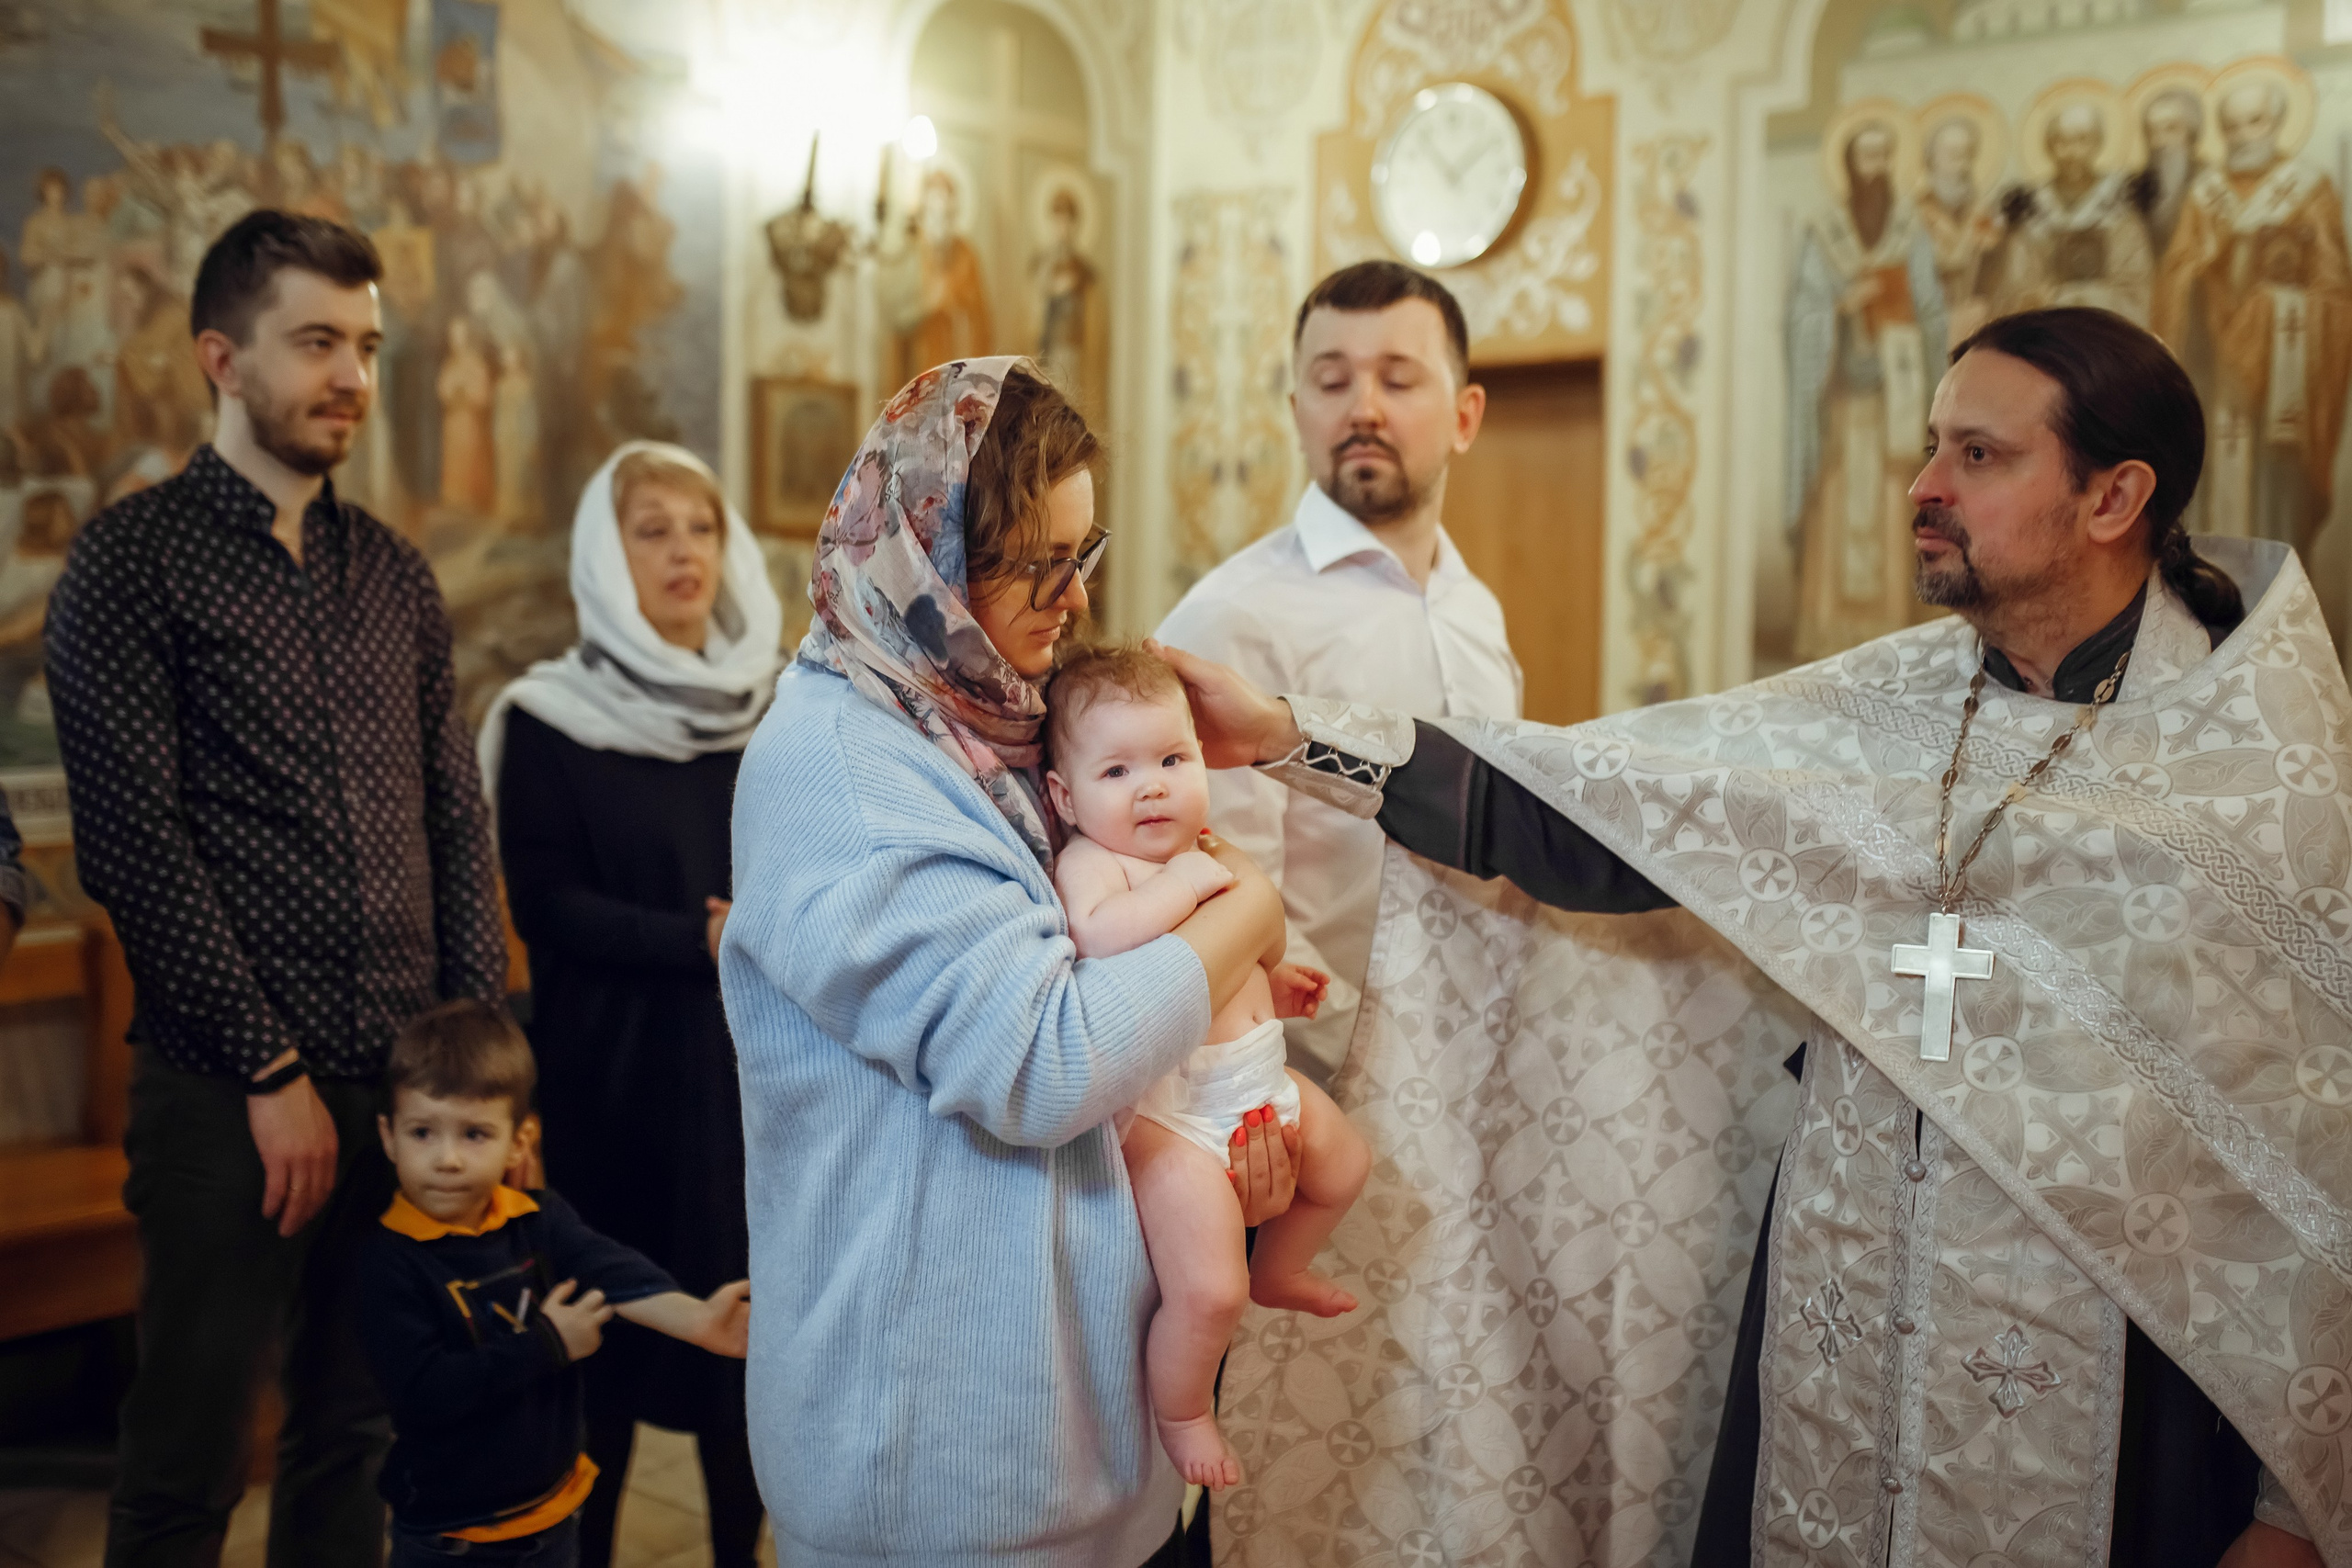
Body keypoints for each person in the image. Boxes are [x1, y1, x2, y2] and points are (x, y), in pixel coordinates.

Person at [1161, 308, 2351, 1567]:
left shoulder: (2257, 782)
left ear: (2114, 496)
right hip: (1839, 1327)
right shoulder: (1887, 707)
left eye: (1978, 455)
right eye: (1932, 444)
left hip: (2118, 1401)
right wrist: (1284, 731)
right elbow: (1596, 805)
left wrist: (2293, 1512)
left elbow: (2316, 1167)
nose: (1924, 484)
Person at [723, 357, 1300, 1568]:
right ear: (926, 552)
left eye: (1082, 554)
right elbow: (1043, 1060)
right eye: (1037, 562)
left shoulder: (990, 715)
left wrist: (1205, 1148)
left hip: (1072, 1440)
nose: (1072, 598)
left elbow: (1120, 997)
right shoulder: (846, 767)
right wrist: (1251, 904)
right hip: (940, 1462)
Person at [45, 209, 509, 1568]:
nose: (352, 376)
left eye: (365, 344)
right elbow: (133, 846)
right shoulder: (129, 563)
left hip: (403, 1083)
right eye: (316, 342)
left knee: (357, 1439)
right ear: (221, 358)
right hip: (223, 1089)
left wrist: (475, 1071)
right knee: (188, 1462)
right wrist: (269, 1066)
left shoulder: (396, 576)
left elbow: (454, 817)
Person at [481, 440, 780, 1568]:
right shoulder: (550, 717)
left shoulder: (777, 702)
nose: (682, 552)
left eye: (701, 528)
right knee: (605, 1346)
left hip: (753, 1082)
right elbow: (547, 904)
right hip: (614, 1081)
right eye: (651, 531)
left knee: (748, 1344)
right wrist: (696, 938)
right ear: (605, 562)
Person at [1155, 261, 1520, 1086]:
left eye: (1398, 379)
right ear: (1297, 413)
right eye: (1332, 381)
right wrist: (1375, 1058)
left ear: (1465, 416)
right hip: (1325, 1080)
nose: (1363, 409)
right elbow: (1214, 890)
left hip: (1486, 1063)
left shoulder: (1479, 613)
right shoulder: (1231, 618)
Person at [1045, 642, 1370, 1491]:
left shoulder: (1207, 846)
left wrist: (1273, 983)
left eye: (1171, 759)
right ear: (1064, 796)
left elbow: (1230, 962)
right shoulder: (1096, 861)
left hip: (1256, 1074)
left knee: (1344, 1164)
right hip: (1172, 1116)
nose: (1151, 786)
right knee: (1210, 1288)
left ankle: (1281, 1268)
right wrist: (1186, 881)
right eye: (1116, 770)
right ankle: (1184, 1409)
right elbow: (1098, 936)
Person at [362, 1000, 751, 1568]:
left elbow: (612, 1271)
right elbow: (426, 1393)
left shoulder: (537, 1219)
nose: (447, 1159)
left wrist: (698, 1320)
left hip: (553, 1519)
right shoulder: (390, 1261)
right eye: (422, 1132)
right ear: (389, 1136)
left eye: (474, 1134)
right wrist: (548, 1344)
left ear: (520, 1141)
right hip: (452, 1538)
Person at [1784, 115, 1949, 661]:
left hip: (1896, 398)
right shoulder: (1823, 234)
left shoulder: (1910, 231)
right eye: (1866, 157)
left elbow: (1931, 310)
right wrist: (1839, 308)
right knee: (1839, 506)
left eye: (1883, 156)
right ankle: (1831, 634)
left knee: (1894, 500)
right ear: (1849, 166)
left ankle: (1893, 631)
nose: (1875, 168)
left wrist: (1913, 331)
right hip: (1841, 401)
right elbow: (1800, 314)